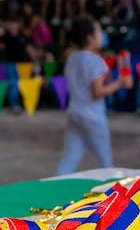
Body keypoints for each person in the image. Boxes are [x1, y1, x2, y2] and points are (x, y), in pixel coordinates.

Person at [57, 17, 133, 175]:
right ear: (90, 38)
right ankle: (112, 193)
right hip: (93, 117)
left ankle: (54, 187)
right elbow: (97, 92)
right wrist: (119, 83)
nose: (102, 35)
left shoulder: (72, 58)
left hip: (75, 113)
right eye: (99, 31)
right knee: (105, 161)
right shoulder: (97, 62)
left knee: (70, 158)